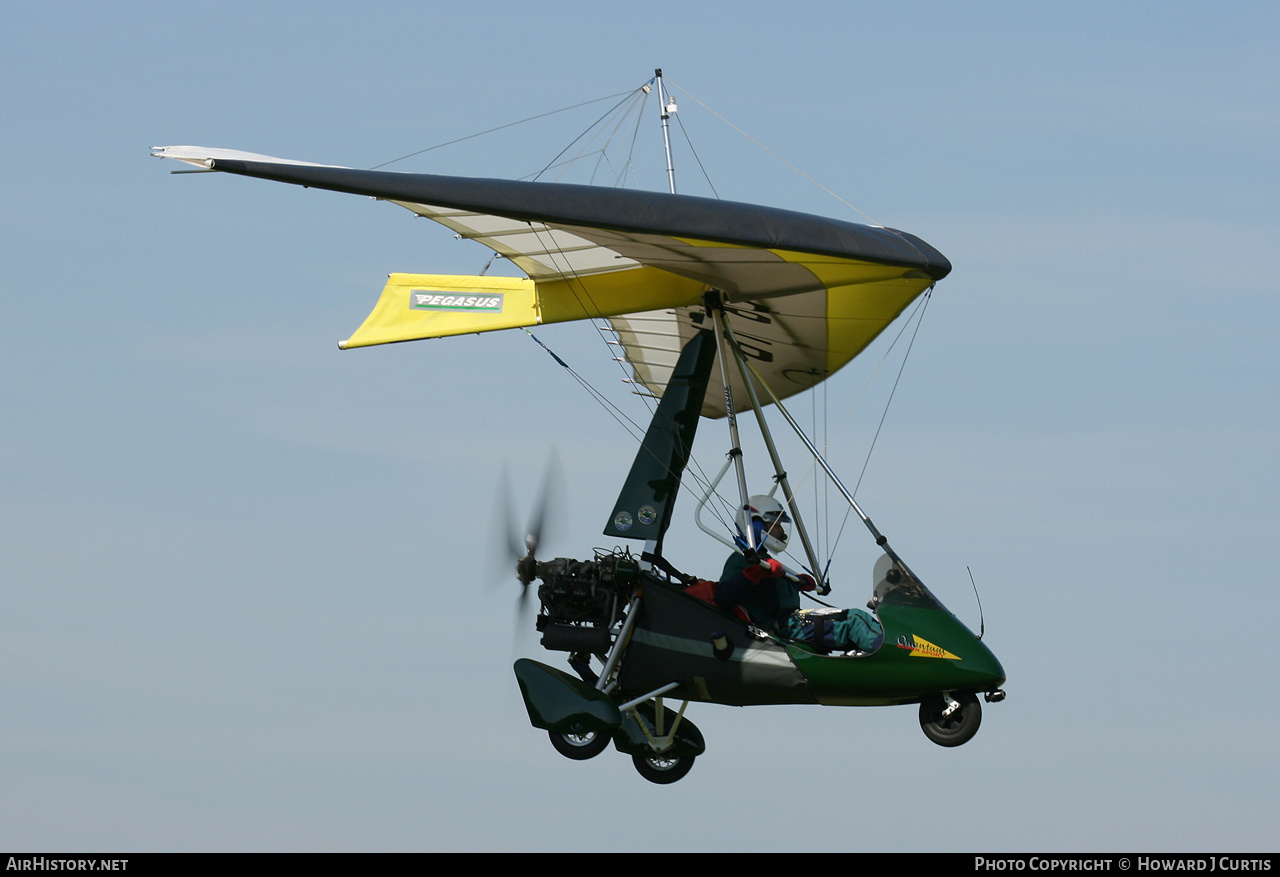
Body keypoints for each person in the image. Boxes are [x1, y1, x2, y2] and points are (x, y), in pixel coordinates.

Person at [714, 495, 883, 654]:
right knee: (853, 620)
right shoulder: (741, 559)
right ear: (756, 525)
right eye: (776, 524)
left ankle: (873, 655)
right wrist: (755, 573)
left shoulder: (762, 558)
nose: (781, 531)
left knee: (853, 620)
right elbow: (723, 597)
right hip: (779, 628)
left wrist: (796, 582)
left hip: (791, 622)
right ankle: (891, 653)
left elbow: (769, 590)